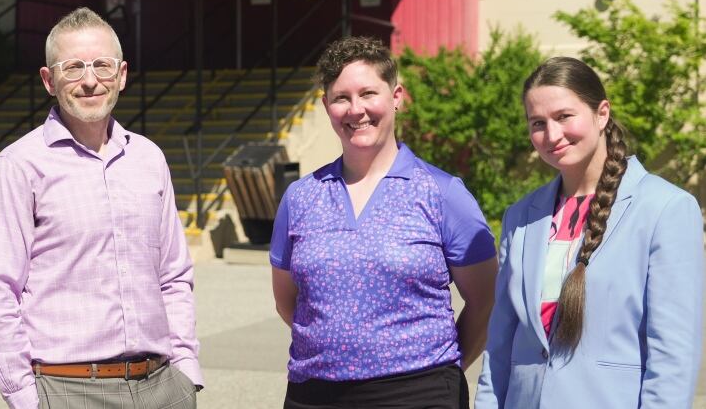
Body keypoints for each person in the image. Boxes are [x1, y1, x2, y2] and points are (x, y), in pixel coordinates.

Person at [0, 7, 202, 409]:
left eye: (102, 65)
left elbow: (174, 276)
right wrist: (26, 398)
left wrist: (185, 368)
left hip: (163, 386)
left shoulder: (148, 159)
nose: (91, 80)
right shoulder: (18, 166)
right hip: (67, 390)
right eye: (73, 67)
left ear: (122, 75)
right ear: (49, 80)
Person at [270, 36, 498, 409]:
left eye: (368, 93)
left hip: (418, 392)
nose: (355, 109)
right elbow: (287, 302)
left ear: (396, 96)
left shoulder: (442, 193)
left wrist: (444, 371)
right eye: (341, 97)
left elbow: (486, 300)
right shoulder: (300, 197)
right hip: (314, 393)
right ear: (327, 105)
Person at [474, 57, 704, 408]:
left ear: (602, 114)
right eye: (538, 123)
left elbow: (673, 354)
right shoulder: (520, 216)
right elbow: (501, 342)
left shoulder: (665, 209)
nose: (551, 135)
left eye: (564, 116)